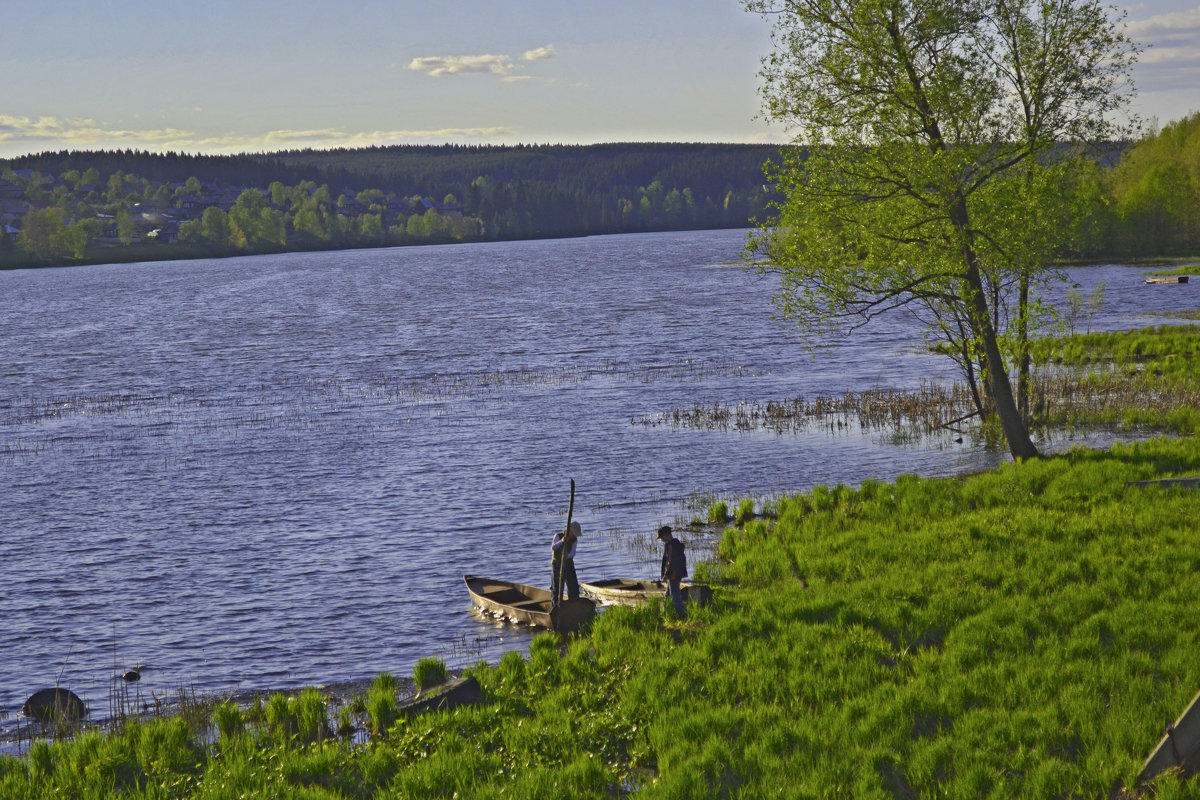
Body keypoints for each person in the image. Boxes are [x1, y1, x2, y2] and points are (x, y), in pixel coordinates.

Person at [658, 525, 688, 618]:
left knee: (676, 597)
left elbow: (670, 562)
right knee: (667, 596)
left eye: (662, 537)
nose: (662, 540)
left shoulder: (672, 545)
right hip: (673, 574)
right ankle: (667, 615)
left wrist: (665, 575)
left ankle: (684, 616)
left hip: (673, 575)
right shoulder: (674, 544)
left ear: (667, 535)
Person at [551, 521, 581, 607]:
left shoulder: (574, 540)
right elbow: (553, 547)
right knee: (556, 588)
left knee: (573, 586)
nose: (575, 536)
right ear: (570, 531)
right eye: (574, 533)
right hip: (557, 565)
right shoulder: (558, 536)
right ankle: (556, 606)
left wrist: (567, 556)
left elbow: (573, 553)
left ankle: (574, 605)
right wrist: (562, 541)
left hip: (569, 565)